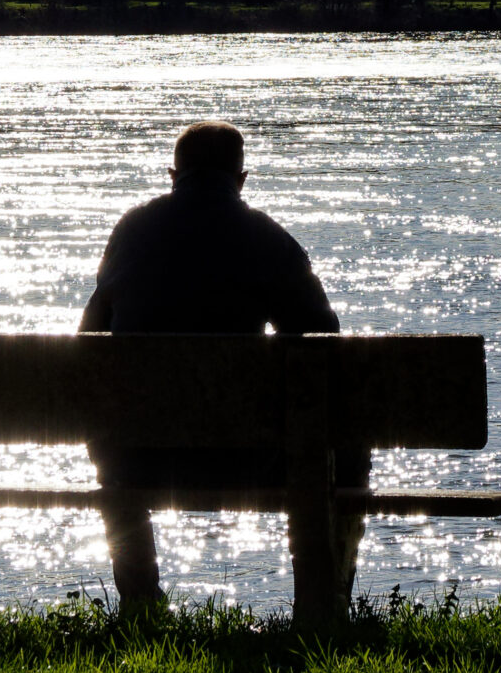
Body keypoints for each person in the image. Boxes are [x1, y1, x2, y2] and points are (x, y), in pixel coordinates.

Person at [79, 120, 341, 610]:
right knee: (343, 446)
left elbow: (87, 342)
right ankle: (324, 603)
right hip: (247, 460)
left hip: (138, 459)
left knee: (112, 453)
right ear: (241, 180)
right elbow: (324, 340)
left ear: (172, 175)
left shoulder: (131, 231)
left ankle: (141, 605)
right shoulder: (269, 239)